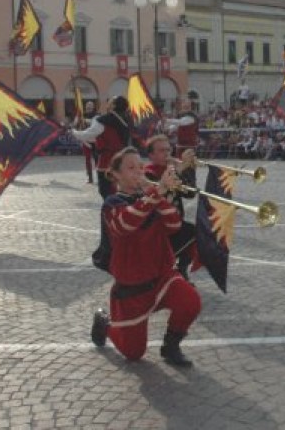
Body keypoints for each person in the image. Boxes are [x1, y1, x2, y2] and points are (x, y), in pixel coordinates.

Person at [90, 147, 202, 366]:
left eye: (140, 167)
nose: (139, 172)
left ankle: (171, 347)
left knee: (191, 301)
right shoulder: (112, 203)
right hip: (132, 288)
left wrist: (158, 196)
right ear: (115, 175)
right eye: (131, 168)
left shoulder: (150, 198)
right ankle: (105, 324)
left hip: (161, 276)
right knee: (134, 353)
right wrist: (155, 193)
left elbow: (174, 224)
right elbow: (125, 225)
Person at [143, 135, 199, 280]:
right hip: (156, 226)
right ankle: (165, 269)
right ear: (151, 155)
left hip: (174, 223)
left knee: (197, 233)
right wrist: (179, 170)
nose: (167, 154)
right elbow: (160, 194)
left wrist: (190, 169)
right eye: (162, 150)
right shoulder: (147, 173)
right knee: (191, 232)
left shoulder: (171, 169)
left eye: (168, 149)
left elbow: (189, 193)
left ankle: (180, 270)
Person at [71, 96, 133, 199]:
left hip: (107, 160)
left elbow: (89, 135)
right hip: (122, 159)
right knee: (119, 189)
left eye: (111, 101)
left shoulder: (103, 120)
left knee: (106, 190)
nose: (108, 103)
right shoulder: (127, 119)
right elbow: (99, 137)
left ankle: (112, 210)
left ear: (114, 105)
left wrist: (73, 132)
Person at [73, 100, 97, 184]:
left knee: (97, 159)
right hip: (86, 140)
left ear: (93, 107)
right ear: (85, 107)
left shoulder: (97, 116)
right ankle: (90, 177)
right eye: (87, 106)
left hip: (95, 141)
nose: (89, 107)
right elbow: (75, 125)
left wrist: (86, 121)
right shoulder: (81, 115)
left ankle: (100, 175)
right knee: (88, 159)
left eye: (91, 106)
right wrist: (77, 120)